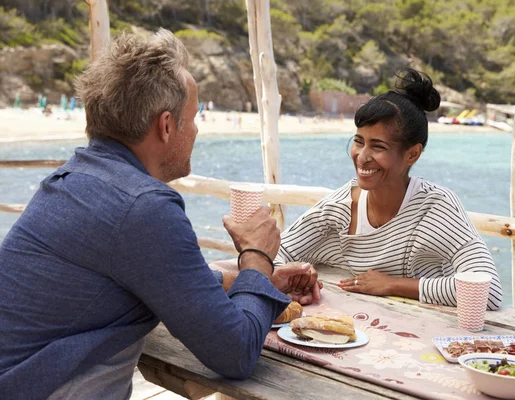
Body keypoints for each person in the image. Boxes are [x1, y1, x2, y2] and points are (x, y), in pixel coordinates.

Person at [0, 29, 320, 400]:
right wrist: (257, 256)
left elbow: (157, 274)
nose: (198, 129)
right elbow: (235, 353)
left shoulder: (74, 177)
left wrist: (257, 281)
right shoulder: (142, 206)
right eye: (194, 116)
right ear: (166, 125)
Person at [275, 68, 503, 311]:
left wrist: (393, 284)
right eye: (359, 141)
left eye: (378, 146)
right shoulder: (338, 210)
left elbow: (488, 290)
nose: (362, 157)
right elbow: (275, 255)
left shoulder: (436, 207)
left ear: (412, 154)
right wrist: (297, 276)